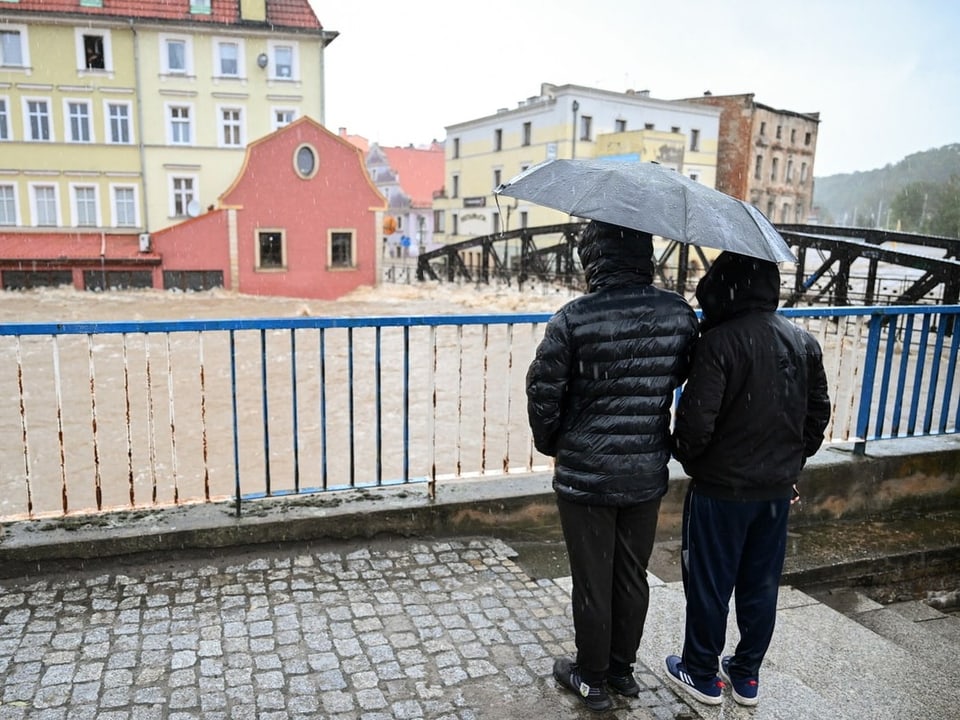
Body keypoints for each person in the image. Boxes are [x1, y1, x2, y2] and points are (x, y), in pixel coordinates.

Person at [526, 219, 698, 711]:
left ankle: (591, 677)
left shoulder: (573, 319)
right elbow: (687, 377)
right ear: (644, 255)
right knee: (631, 574)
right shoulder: (679, 316)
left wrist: (557, 442)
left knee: (592, 577)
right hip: (645, 470)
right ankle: (623, 671)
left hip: (586, 474)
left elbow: (543, 393)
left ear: (594, 258)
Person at [664, 251, 831, 707]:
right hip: (775, 492)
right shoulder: (803, 343)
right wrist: (788, 467)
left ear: (722, 286)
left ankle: (700, 672)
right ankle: (746, 675)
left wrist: (693, 462)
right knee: (760, 586)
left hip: (721, 491)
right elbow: (818, 417)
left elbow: (695, 426)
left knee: (710, 582)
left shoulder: (718, 343)